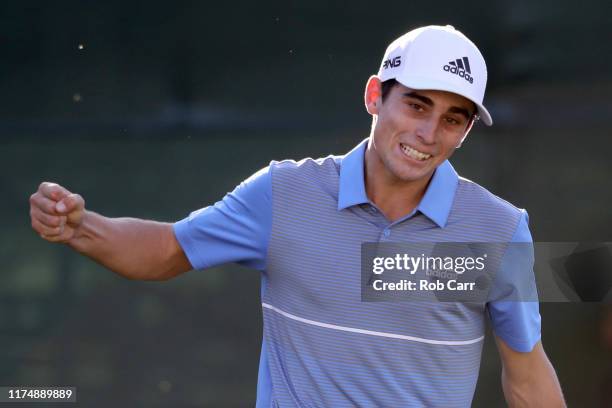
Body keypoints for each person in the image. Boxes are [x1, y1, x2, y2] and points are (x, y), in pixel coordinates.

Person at [29, 25, 565, 407]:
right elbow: (169, 249)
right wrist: (83, 227)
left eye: (453, 119)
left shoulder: (500, 231)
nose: (429, 134)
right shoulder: (283, 193)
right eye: (417, 105)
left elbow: (526, 376)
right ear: (375, 96)